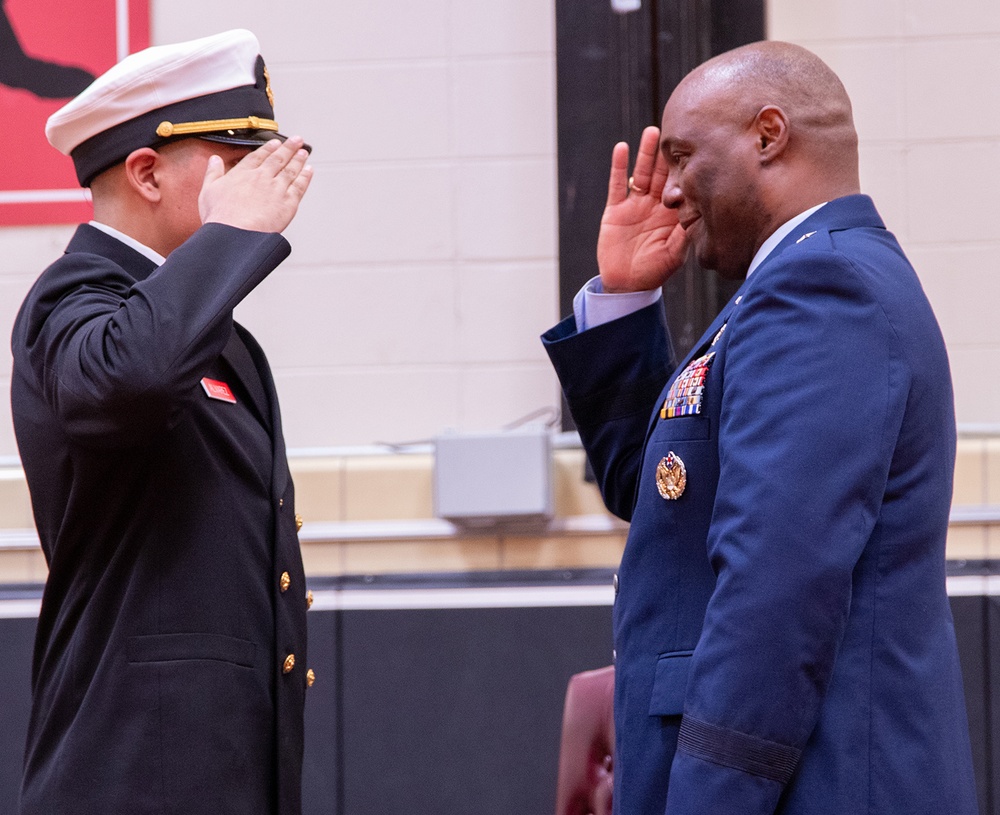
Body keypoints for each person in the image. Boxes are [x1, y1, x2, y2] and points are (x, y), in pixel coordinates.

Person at [542, 41, 978, 815]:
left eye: (682, 156)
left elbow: (771, 598)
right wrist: (621, 299)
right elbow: (657, 489)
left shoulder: (821, 288)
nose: (671, 190)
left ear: (768, 135)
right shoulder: (793, 287)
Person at [11, 30, 314, 815]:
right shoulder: (69, 298)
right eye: (240, 163)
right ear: (146, 171)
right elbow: (128, 379)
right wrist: (231, 238)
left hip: (220, 771)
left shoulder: (216, 332)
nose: (270, 187)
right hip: (131, 773)